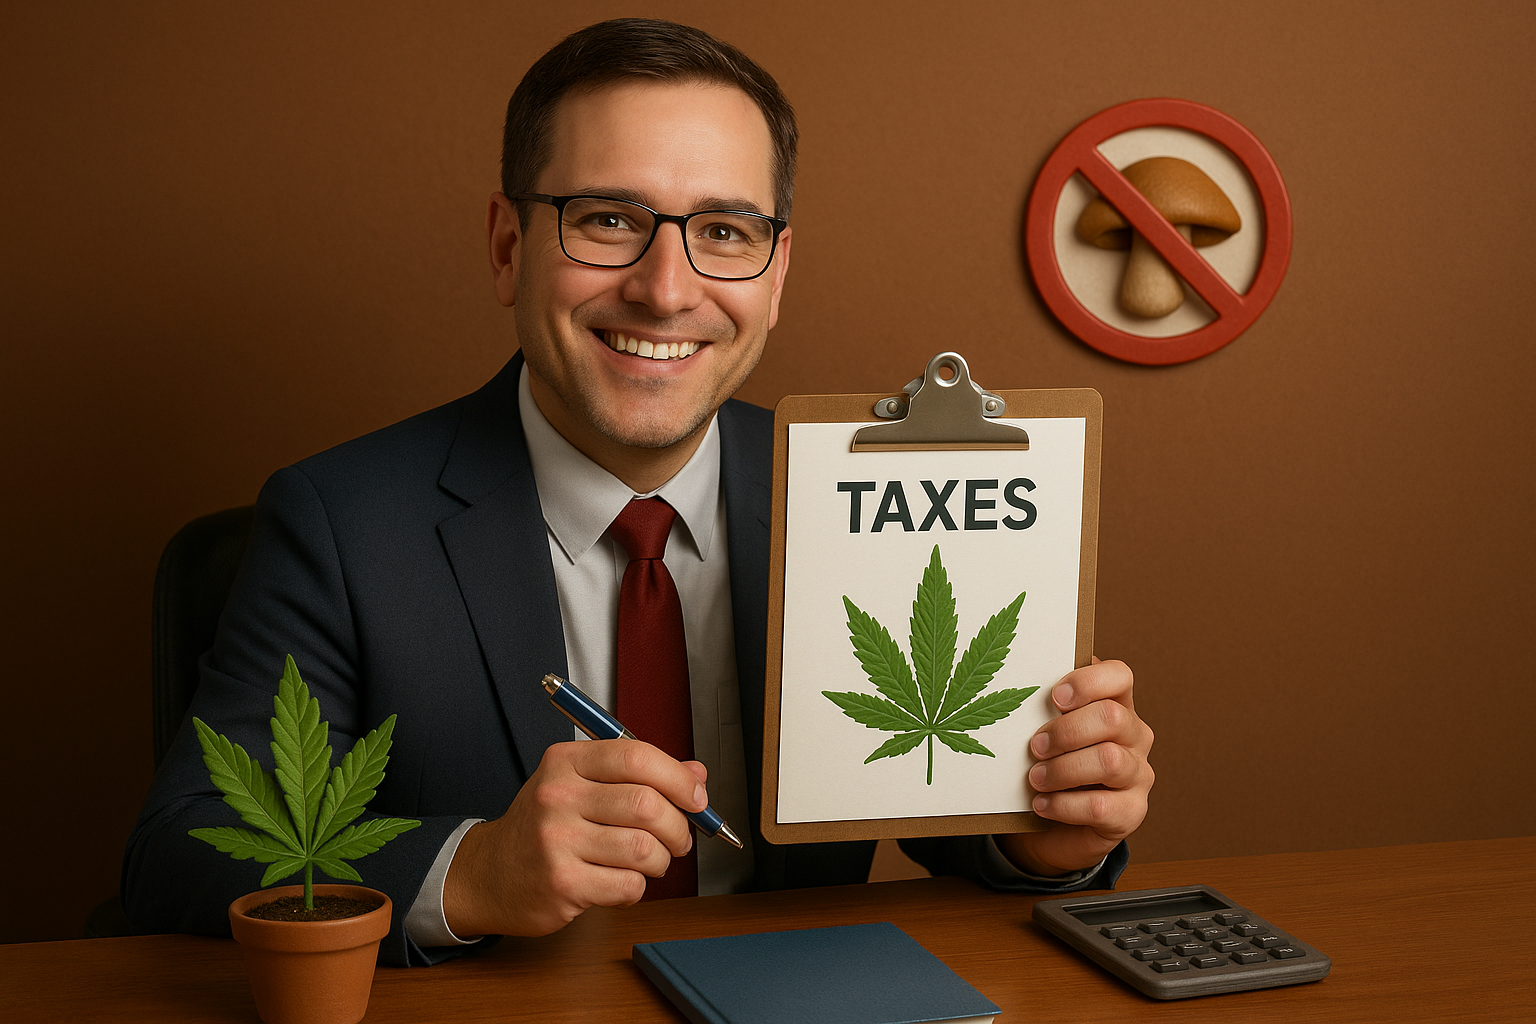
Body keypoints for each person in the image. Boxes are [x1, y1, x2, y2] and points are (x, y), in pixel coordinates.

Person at [123, 18, 1154, 967]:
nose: (667, 288)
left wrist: (1043, 840)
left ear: (776, 272)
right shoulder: (338, 522)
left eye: (725, 231)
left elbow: (963, 813)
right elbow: (176, 858)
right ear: (506, 246)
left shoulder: (874, 496)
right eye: (607, 218)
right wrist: (474, 873)